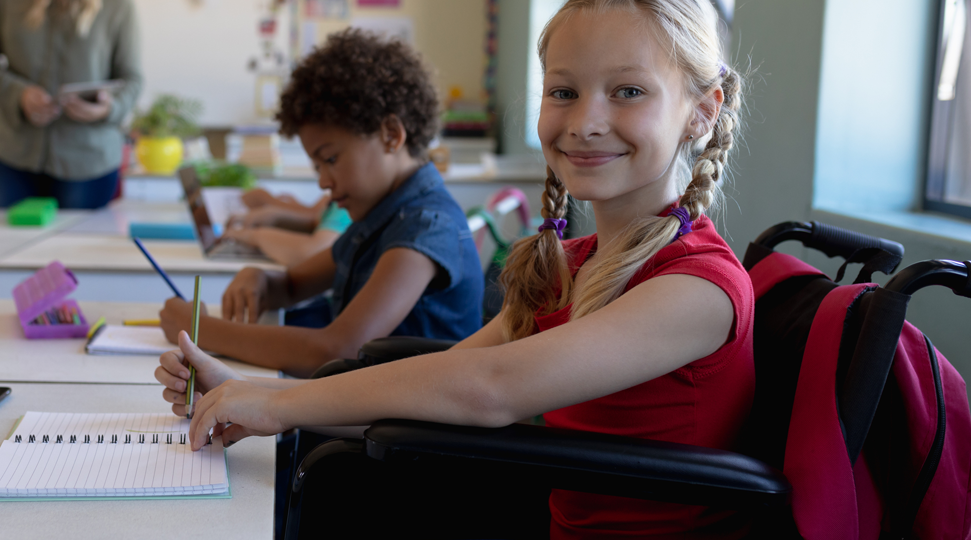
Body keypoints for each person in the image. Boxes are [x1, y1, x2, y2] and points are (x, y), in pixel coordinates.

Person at [158, 0, 751, 536]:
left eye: (629, 91)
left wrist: (274, 405)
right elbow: (443, 383)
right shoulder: (572, 265)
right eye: (564, 92)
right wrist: (248, 393)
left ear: (701, 112)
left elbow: (489, 388)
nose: (584, 121)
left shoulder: (696, 290)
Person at [156, 29, 484, 378]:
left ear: (391, 135)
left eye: (330, 159)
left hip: (409, 413)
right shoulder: (382, 213)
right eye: (317, 166)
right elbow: (293, 285)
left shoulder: (426, 226)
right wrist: (261, 279)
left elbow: (338, 350)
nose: (323, 182)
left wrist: (198, 331)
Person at [0, 0, 143, 209]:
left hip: (88, 161)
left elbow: (131, 79)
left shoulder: (119, 5)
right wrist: (17, 94)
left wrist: (108, 108)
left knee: (78, 233)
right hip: (12, 152)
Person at [222, 190, 351, 267]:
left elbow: (312, 253)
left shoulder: (348, 201)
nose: (322, 183)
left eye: (331, 160)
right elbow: (316, 220)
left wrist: (253, 236)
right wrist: (276, 215)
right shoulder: (338, 198)